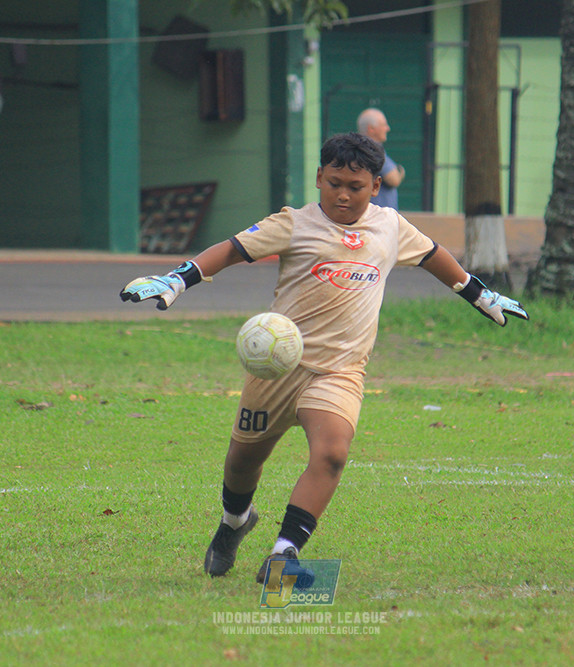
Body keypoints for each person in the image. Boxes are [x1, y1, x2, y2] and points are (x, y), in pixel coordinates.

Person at [119, 133, 528, 583]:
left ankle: (284, 552)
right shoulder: (294, 223)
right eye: (334, 183)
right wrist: (178, 279)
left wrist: (479, 294)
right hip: (275, 369)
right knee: (242, 463)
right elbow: (233, 249)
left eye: (355, 186)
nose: (343, 194)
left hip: (340, 370)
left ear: (375, 185)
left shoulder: (391, 227)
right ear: (319, 178)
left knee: (332, 453)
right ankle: (235, 522)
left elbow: (433, 256)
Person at [357, 108, 404, 210]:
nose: (388, 128)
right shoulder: (373, 151)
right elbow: (393, 180)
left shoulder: (357, 150)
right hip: (377, 218)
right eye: (383, 125)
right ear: (371, 129)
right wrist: (400, 173)